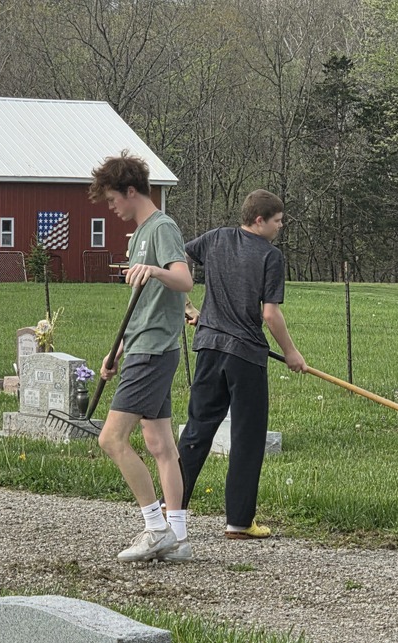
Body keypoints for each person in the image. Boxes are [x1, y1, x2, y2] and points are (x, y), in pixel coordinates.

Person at [178, 189, 307, 538]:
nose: (281, 227)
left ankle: (171, 507)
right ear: (260, 220)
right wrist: (292, 353)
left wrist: (188, 307)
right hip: (246, 356)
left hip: (208, 348)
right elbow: (270, 313)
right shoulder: (270, 256)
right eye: (278, 221)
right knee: (247, 437)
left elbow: (171, 261)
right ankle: (239, 522)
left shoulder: (215, 238)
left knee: (197, 428)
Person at [89, 153, 193, 562]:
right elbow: (146, 303)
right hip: (141, 346)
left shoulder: (161, 228)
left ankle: (154, 529)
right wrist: (116, 350)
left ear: (131, 191)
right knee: (160, 443)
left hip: (153, 351)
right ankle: (179, 537)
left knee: (111, 439)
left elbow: (183, 279)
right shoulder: (140, 235)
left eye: (113, 199)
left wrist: (154, 270)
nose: (111, 208)